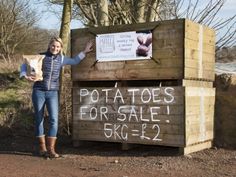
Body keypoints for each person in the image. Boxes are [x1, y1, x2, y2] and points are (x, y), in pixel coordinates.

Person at [20, 37, 93, 158]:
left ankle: (51, 149)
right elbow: (24, 65)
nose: (55, 48)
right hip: (39, 91)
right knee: (39, 118)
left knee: (54, 120)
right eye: (53, 46)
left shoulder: (62, 59)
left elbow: (75, 61)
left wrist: (85, 51)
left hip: (53, 93)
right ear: (49, 46)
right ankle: (42, 148)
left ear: (61, 48)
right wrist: (24, 75)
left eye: (58, 47)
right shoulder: (40, 56)